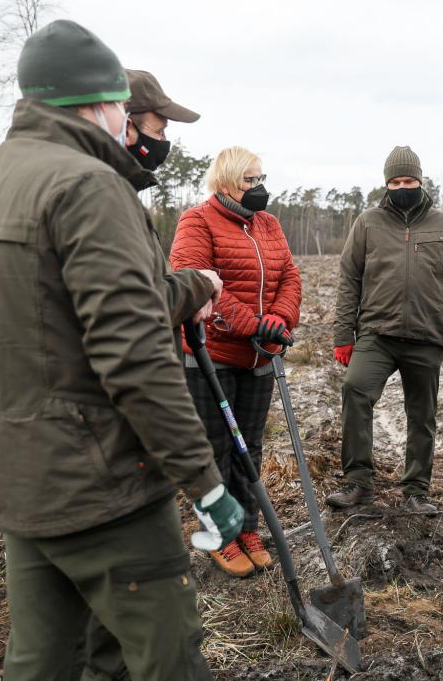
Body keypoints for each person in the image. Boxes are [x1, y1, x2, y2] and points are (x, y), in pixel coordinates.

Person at [0, 20, 245, 681]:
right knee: (168, 658)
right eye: (123, 109)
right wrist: (205, 483)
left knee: (45, 662)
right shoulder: (88, 186)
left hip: (19, 480)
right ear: (103, 104)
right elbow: (134, 356)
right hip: (103, 484)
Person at [78, 67, 220, 681]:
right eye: (159, 127)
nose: (165, 140)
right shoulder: (98, 197)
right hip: (108, 441)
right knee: (163, 628)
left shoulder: (110, 191)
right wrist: (197, 287)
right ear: (124, 122)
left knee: (88, 629)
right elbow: (131, 312)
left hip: (88, 442)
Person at [171, 146, 302, 577]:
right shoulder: (197, 221)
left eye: (261, 178)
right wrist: (252, 324)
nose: (259, 187)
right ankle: (218, 534)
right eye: (250, 180)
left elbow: (289, 276)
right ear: (227, 182)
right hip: (213, 355)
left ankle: (247, 527)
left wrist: (279, 319)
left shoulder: (268, 224)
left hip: (259, 356)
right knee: (216, 448)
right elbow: (196, 282)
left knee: (250, 446)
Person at [326, 146, 443, 514]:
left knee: (422, 415)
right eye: (395, 182)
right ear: (386, 184)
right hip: (377, 333)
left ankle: (416, 490)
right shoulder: (368, 223)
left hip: (426, 336)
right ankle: (358, 482)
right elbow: (349, 279)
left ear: (420, 181)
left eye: (408, 181)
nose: (402, 187)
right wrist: (343, 334)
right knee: (355, 390)